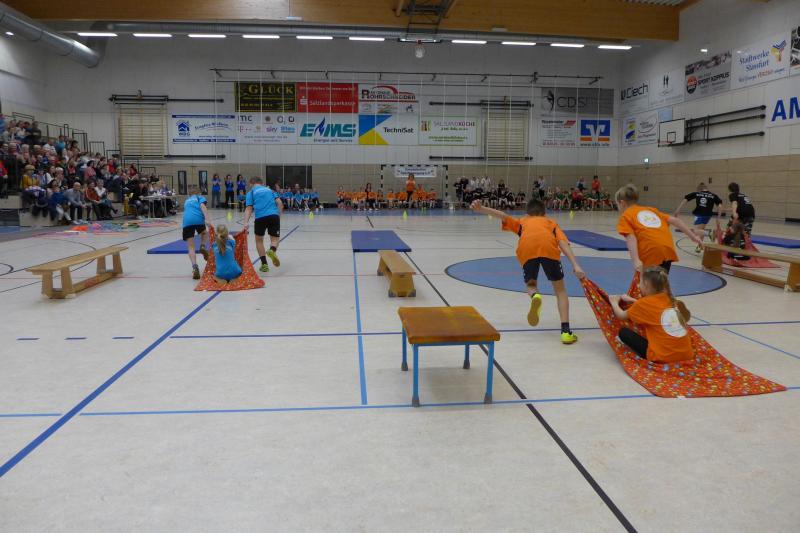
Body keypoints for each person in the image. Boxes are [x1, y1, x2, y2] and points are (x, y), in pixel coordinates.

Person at [471, 198, 586, 344]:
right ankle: (565, 332)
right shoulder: (551, 223)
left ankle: (535, 296)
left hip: (527, 249)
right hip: (549, 249)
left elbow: (503, 216)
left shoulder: (523, 221)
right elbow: (563, 243)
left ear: (527, 213)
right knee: (560, 291)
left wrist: (482, 209)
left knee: (531, 285)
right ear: (544, 214)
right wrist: (576, 265)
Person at [609, 266, 693, 363]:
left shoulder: (643, 304)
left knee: (624, 332)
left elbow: (621, 315)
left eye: (640, 282)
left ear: (646, 284)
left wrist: (614, 302)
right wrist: (632, 300)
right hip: (686, 355)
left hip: (662, 357)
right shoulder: (669, 298)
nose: (638, 285)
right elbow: (652, 309)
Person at [615, 184, 702, 273]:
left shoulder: (625, 216)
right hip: (667, 250)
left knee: (647, 281)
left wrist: (635, 260)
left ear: (622, 203)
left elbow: (631, 238)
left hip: (651, 252)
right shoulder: (650, 210)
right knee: (660, 280)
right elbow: (676, 221)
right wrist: (693, 237)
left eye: (617, 204)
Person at [242, 177, 283, 273]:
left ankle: (264, 264)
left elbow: (249, 208)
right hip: (273, 216)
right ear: (261, 183)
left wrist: (246, 222)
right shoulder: (270, 191)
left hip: (260, 218)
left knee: (259, 241)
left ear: (252, 183)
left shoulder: (251, 193)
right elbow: (280, 203)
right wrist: (278, 216)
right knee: (275, 239)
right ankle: (272, 250)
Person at [673, 182, 722, 252]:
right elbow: (720, 206)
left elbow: (685, 200)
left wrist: (677, 210)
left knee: (696, 231)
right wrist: (718, 217)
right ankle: (700, 246)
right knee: (701, 229)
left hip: (700, 214)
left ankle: (709, 233)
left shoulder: (697, 193)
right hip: (708, 215)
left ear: (699, 189)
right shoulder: (713, 195)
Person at [182, 186, 210, 280]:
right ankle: (202, 246)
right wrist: (207, 219)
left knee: (191, 246)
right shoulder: (200, 198)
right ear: (199, 193)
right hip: (198, 220)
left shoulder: (186, 201)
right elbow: (203, 206)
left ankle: (195, 267)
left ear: (189, 194)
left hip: (187, 222)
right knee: (205, 233)